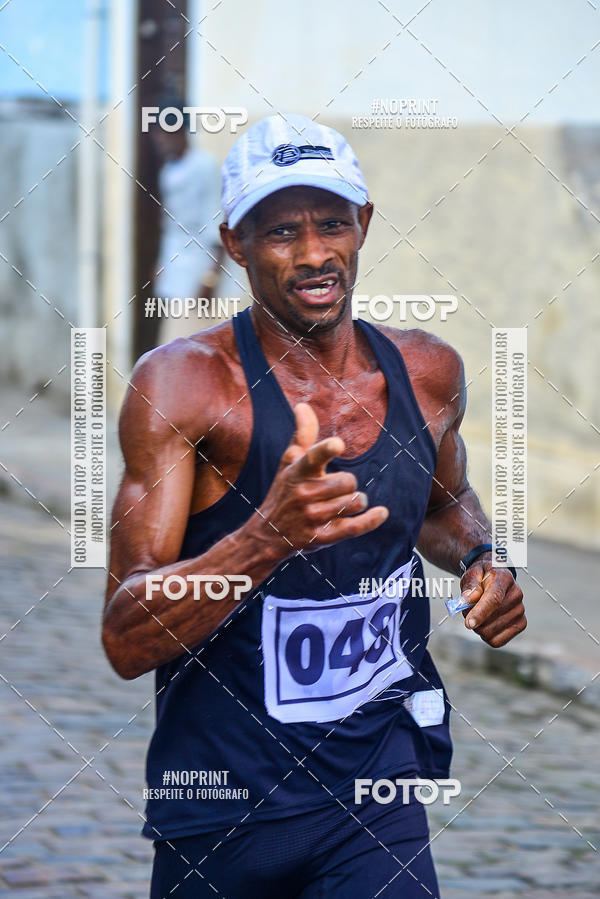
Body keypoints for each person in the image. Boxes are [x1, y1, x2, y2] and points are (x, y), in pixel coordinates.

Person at [102, 113, 526, 898]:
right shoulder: (184, 386)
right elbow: (127, 636)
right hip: (223, 803)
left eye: (332, 223)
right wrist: (264, 538)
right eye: (280, 232)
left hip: (377, 787)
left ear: (363, 225)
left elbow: (442, 500)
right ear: (235, 242)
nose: (312, 255)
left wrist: (479, 556)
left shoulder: (428, 372)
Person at [149, 99, 227, 345]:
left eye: (162, 132)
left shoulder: (204, 166)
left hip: (199, 281)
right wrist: (162, 263)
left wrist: (209, 280)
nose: (158, 140)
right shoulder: (169, 171)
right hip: (177, 276)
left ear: (178, 131)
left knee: (190, 354)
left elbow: (218, 226)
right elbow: (171, 226)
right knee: (173, 353)